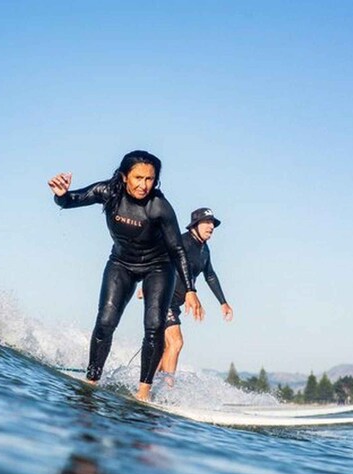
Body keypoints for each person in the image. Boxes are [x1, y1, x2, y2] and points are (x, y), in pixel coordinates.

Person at [47, 150, 203, 401]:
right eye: (138, 178)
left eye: (150, 179)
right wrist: (61, 194)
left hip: (158, 267)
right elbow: (70, 201)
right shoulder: (108, 192)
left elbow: (177, 249)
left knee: (154, 326)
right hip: (121, 263)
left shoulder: (159, 207)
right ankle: (92, 379)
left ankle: (143, 392)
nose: (144, 185)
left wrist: (191, 289)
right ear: (124, 176)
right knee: (105, 322)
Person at [151, 208, 233, 378]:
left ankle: (151, 384)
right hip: (163, 298)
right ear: (194, 225)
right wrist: (148, 285)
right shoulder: (182, 243)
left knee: (166, 348)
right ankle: (167, 387)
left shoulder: (204, 250)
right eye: (207, 222)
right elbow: (159, 261)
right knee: (176, 342)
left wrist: (223, 302)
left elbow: (210, 275)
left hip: (175, 303)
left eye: (212, 223)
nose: (211, 226)